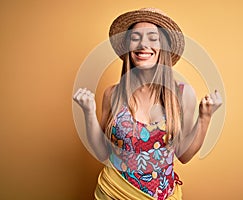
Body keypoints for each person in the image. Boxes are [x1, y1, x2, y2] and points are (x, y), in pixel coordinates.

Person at [73, 8, 222, 200]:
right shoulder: (112, 94)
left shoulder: (182, 94)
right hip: (113, 192)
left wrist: (205, 117)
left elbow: (183, 156)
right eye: (136, 37)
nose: (143, 44)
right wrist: (88, 112)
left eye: (153, 38)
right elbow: (102, 152)